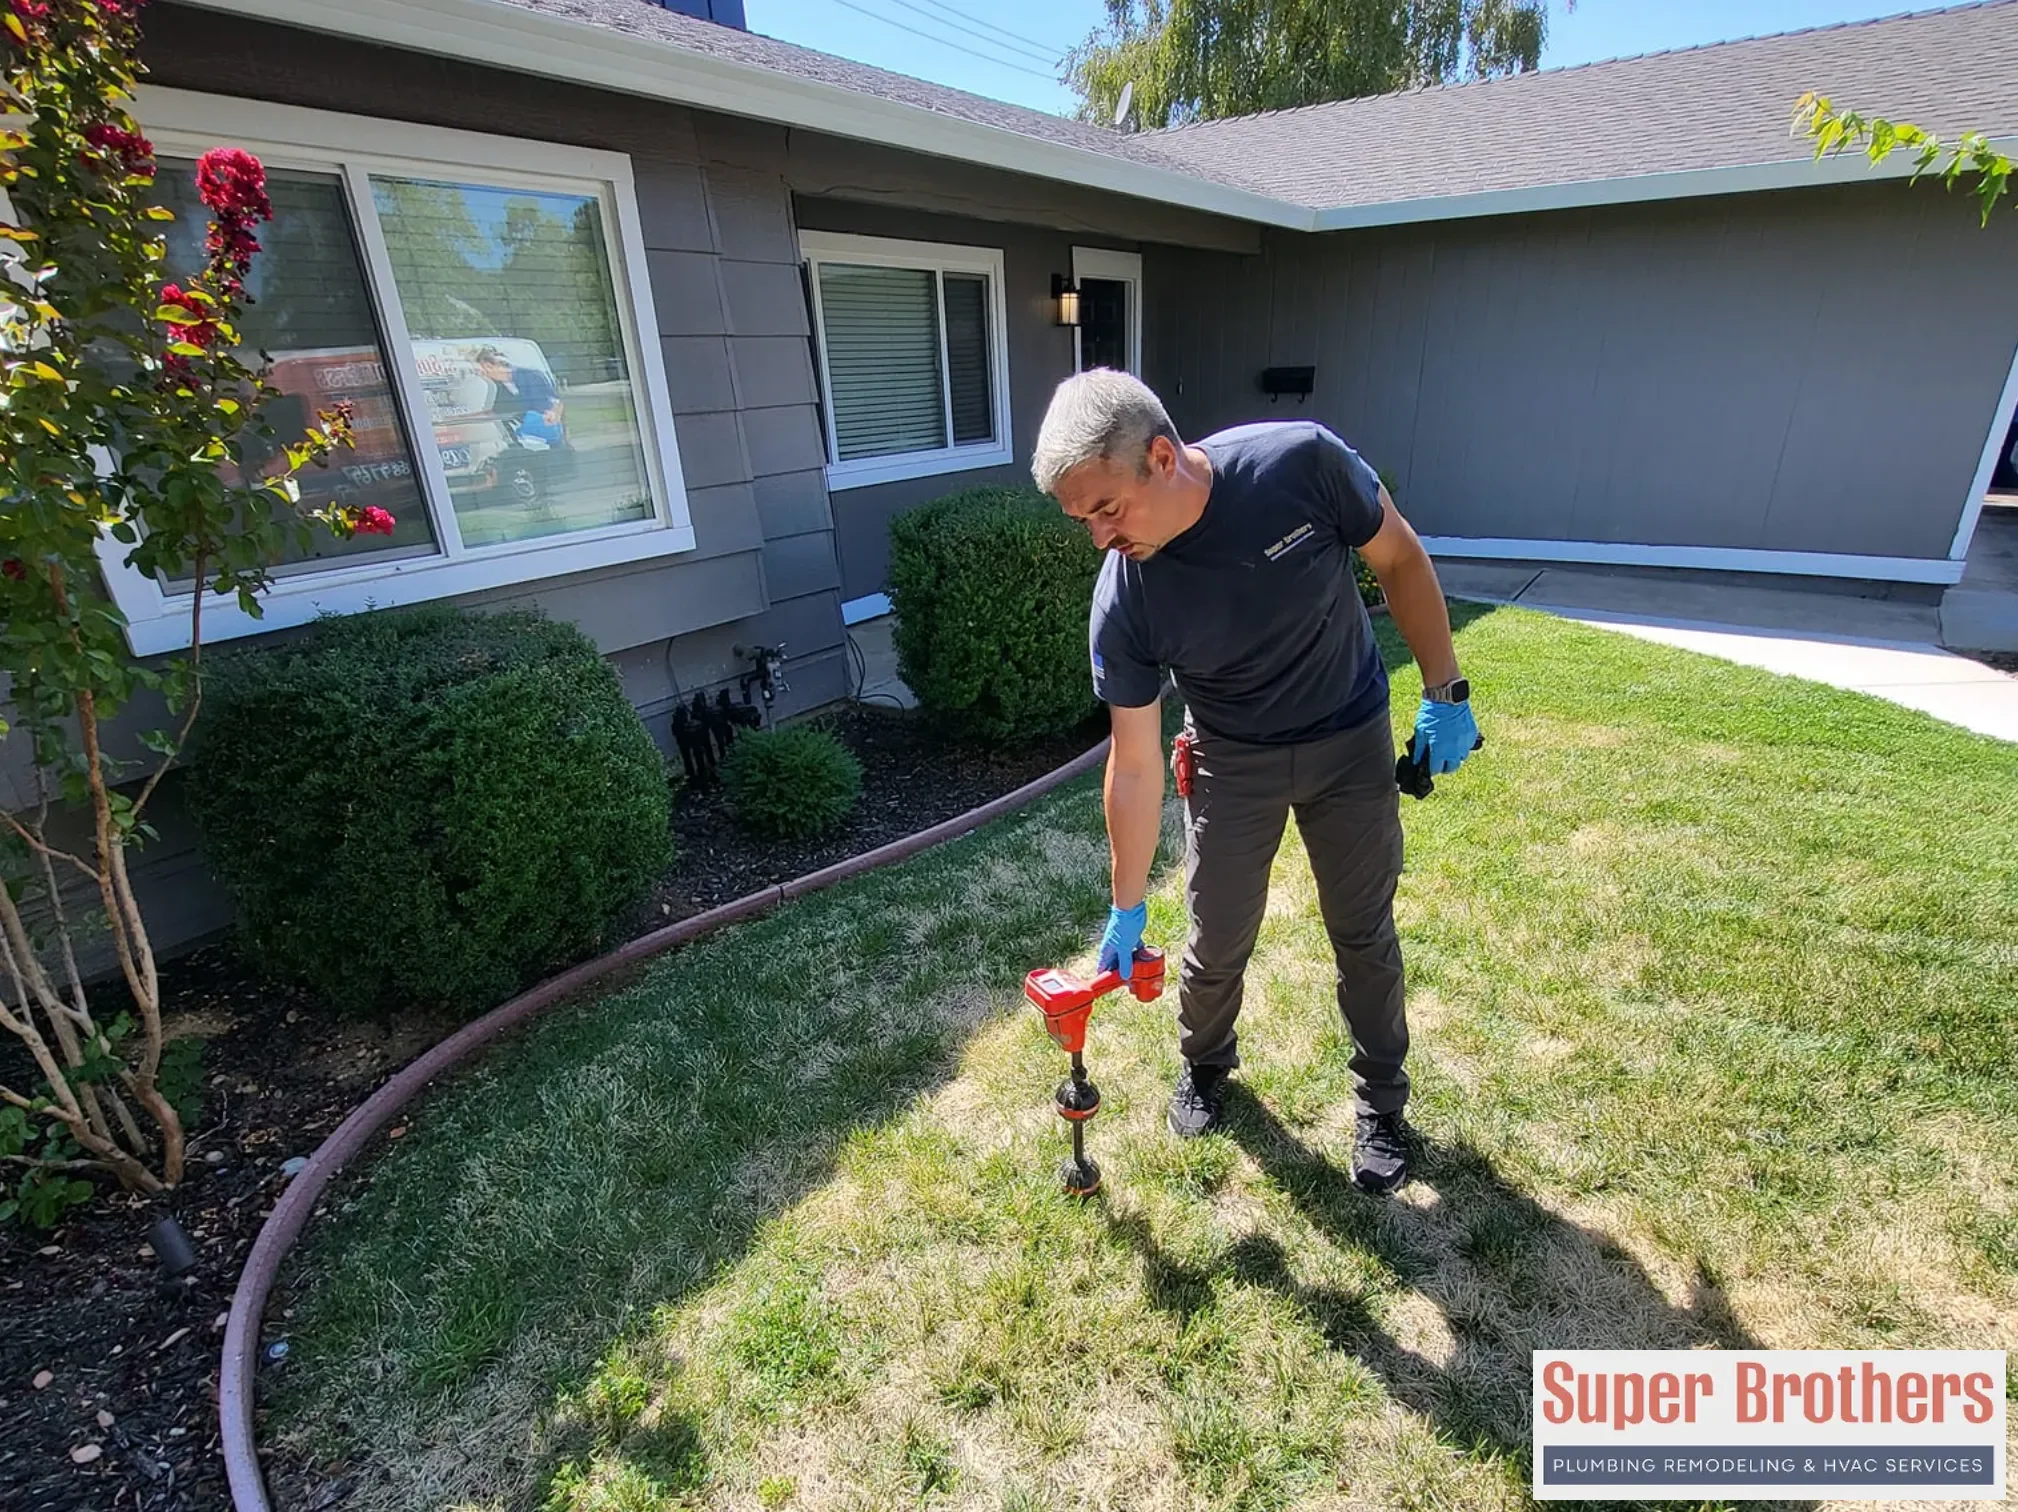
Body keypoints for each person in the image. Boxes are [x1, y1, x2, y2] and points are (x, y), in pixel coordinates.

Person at [1031, 369, 1480, 1195]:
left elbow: (1400, 557)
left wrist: (1445, 691)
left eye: (1107, 510)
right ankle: (1205, 1065)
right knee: (1216, 938)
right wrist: (1126, 905)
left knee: (1363, 933)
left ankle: (1382, 1101)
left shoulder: (1300, 465)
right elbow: (1132, 765)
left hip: (1348, 738)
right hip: (1233, 762)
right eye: (1080, 520)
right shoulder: (1125, 597)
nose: (1097, 536)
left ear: (1161, 457)